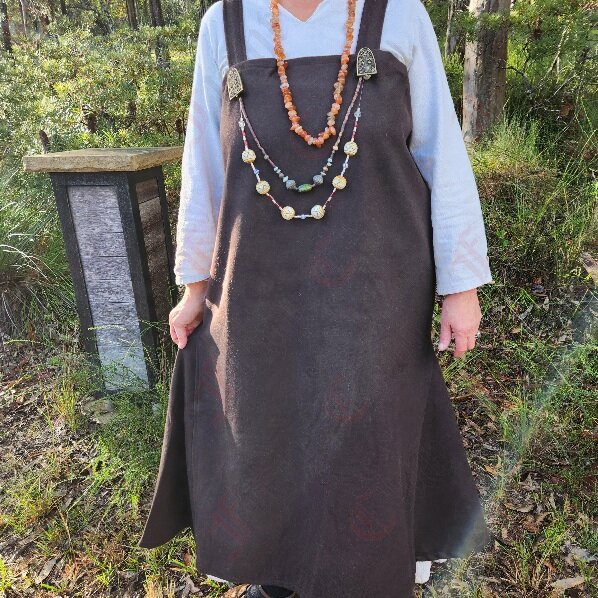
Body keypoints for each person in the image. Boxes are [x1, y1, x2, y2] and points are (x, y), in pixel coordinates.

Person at [138, 0, 494, 596]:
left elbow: (441, 153)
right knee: (267, 446)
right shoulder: (224, 24)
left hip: (376, 299)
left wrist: (461, 287)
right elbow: (205, 166)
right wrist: (195, 288)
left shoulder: (399, 15)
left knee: (369, 450)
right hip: (258, 300)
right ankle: (278, 582)